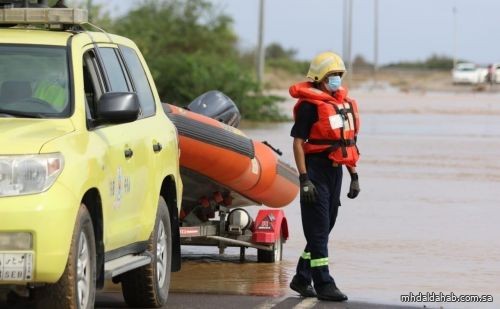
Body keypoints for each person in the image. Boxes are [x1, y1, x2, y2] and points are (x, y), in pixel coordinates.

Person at [288, 51, 361, 302]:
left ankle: (301, 277)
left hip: (335, 171)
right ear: (319, 78)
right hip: (315, 170)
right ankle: (324, 283)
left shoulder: (341, 106)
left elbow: (346, 143)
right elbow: (298, 144)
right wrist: (304, 179)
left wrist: (354, 175)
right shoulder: (310, 107)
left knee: (325, 227)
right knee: (318, 230)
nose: (337, 80)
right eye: (332, 75)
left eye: (339, 75)